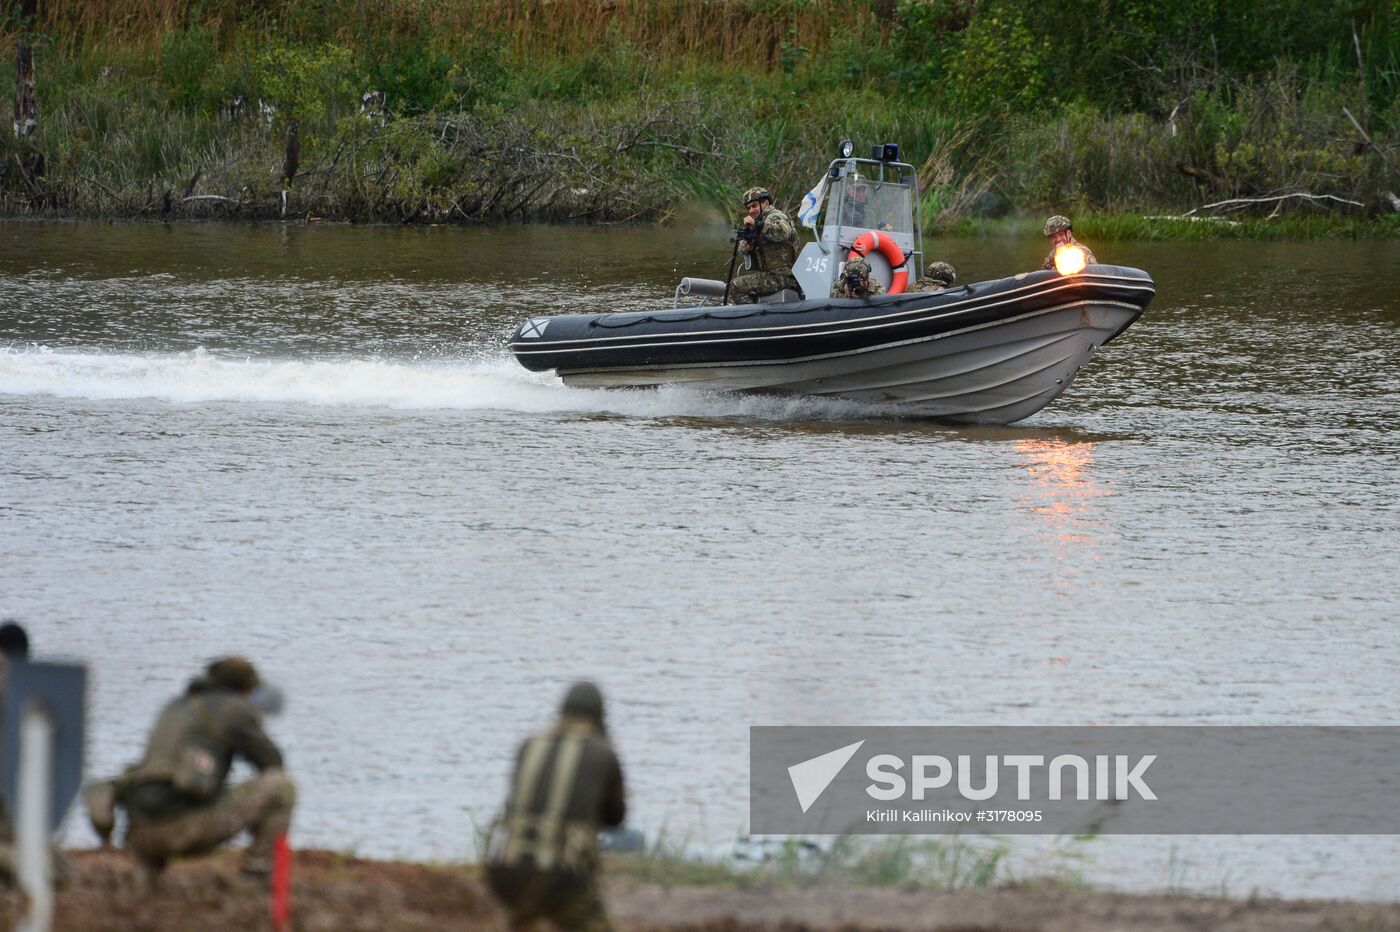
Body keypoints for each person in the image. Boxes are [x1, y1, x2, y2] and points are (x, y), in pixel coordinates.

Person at [97, 656, 295, 881]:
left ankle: (148, 874)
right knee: (281, 787)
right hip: (181, 831)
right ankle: (255, 874)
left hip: (136, 833)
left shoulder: (174, 706)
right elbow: (272, 763)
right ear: (246, 689)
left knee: (167, 782)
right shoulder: (235, 708)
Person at [486, 681, 626, 931]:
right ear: (598, 716)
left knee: (523, 918)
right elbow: (615, 818)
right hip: (560, 877)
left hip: (505, 870)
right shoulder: (602, 752)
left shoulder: (529, 745)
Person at [729, 187, 802, 305]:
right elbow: (742, 249)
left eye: (754, 206)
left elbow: (783, 232)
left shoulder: (776, 216)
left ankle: (752, 318)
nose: (751, 210)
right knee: (740, 284)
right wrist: (748, 245)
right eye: (749, 208)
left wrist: (758, 225)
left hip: (786, 278)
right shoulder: (759, 222)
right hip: (771, 276)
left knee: (735, 286)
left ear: (765, 203)